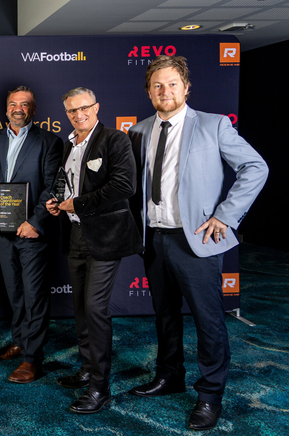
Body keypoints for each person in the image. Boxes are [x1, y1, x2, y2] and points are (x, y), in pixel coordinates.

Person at [127, 55, 268, 431]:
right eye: (157, 85)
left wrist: (226, 215)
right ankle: (169, 376)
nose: (165, 91)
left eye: (172, 84)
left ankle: (210, 395)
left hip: (196, 241)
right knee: (165, 315)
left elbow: (255, 167)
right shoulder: (137, 131)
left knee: (208, 321)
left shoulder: (213, 125)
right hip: (154, 239)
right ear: (148, 92)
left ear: (186, 88)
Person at [45, 87, 142, 413]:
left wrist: (78, 203)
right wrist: (59, 203)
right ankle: (87, 368)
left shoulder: (115, 139)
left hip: (105, 236)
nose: (79, 114)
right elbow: (69, 186)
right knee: (81, 308)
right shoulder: (69, 144)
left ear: (96, 107)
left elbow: (124, 185)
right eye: (72, 110)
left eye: (84, 107)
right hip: (74, 233)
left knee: (96, 308)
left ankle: (101, 388)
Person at [0, 86, 63, 383]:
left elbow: (53, 186)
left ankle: (32, 359)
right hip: (1, 230)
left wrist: (36, 221)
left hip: (32, 233)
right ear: (6, 109)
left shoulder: (49, 141)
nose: (18, 109)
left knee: (34, 294)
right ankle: (20, 341)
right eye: (13, 104)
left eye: (24, 104)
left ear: (33, 110)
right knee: (14, 292)